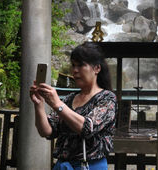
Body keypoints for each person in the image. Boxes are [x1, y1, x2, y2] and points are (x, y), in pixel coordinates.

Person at [30, 42, 117, 170]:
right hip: (63, 165)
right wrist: (39, 105)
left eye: (81, 65)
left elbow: (87, 127)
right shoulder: (70, 98)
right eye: (73, 65)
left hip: (90, 166)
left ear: (97, 68)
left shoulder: (107, 98)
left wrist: (57, 104)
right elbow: (47, 131)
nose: (75, 71)